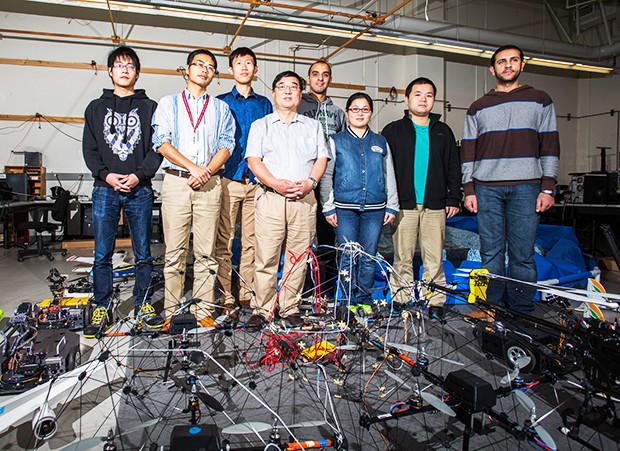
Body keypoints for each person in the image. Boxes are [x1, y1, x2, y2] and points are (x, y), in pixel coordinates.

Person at [461, 45, 560, 313]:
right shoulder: (478, 107)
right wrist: (468, 189)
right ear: (492, 69)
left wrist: (548, 187)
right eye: (502, 62)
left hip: (527, 188)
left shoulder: (540, 100)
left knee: (523, 255)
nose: (508, 65)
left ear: (522, 65)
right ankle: (492, 309)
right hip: (486, 189)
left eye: (513, 60)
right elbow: (468, 151)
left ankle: (521, 311)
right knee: (489, 254)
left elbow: (550, 144)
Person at [82, 46, 164, 338]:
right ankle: (102, 306)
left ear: (137, 73)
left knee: (143, 252)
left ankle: (143, 305)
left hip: (139, 189)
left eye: (130, 66)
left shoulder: (151, 108)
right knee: (102, 254)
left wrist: (138, 175)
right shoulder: (94, 107)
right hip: (105, 189)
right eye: (119, 65)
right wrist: (106, 175)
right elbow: (90, 150)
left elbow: (158, 149)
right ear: (110, 71)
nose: (125, 70)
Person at [152, 49, 235, 328]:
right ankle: (171, 312)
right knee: (174, 251)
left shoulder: (221, 108)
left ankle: (203, 310)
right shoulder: (168, 103)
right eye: (199, 64)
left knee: (206, 252)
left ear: (214, 75)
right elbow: (161, 142)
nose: (204, 70)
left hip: (210, 184)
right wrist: (193, 168)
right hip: (177, 182)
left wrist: (207, 171)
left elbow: (227, 144)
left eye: (211, 67)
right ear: (187, 69)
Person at [246, 70, 329, 329]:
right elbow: (253, 160)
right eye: (282, 86)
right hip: (271, 198)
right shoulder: (260, 125)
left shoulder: (313, 126)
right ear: (274, 94)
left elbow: (321, 159)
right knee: (266, 257)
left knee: (298, 256)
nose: (288, 91)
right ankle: (262, 308)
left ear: (300, 94)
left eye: (293, 86)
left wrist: (310, 183)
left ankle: (290, 306)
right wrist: (275, 184)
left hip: (303, 200)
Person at [382, 77, 461, 319]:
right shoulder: (393, 130)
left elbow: (453, 166)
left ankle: (434, 300)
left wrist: (454, 198)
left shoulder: (443, 131)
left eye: (428, 95)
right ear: (407, 100)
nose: (423, 99)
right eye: (418, 94)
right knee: (402, 256)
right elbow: (385, 169)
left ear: (433, 100)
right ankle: (402, 298)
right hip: (404, 205)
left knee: (434, 257)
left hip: (435, 206)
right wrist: (389, 202)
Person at [320, 92, 398, 312]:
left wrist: (392, 204)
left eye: (365, 109)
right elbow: (327, 176)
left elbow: (388, 173)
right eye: (355, 109)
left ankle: (363, 299)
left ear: (371, 113)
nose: (360, 113)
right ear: (347, 113)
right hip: (344, 209)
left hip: (375, 209)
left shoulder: (380, 142)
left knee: (368, 256)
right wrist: (328, 207)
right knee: (347, 255)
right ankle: (346, 301)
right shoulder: (336, 141)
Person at [215, 47, 272, 319]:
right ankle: (226, 294)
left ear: (256, 69)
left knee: (252, 241)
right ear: (230, 70)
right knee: (225, 240)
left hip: (257, 182)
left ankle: (246, 293)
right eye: (239, 63)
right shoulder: (220, 101)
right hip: (229, 179)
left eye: (249, 63)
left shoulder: (265, 104)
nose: (244, 68)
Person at [298, 60, 346, 299]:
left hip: (330, 183)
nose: (320, 78)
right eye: (315, 74)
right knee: (303, 237)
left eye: (325, 75)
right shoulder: (297, 105)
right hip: (303, 180)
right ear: (308, 79)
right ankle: (304, 290)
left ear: (330, 80)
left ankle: (327, 290)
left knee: (328, 237)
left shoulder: (338, 113)